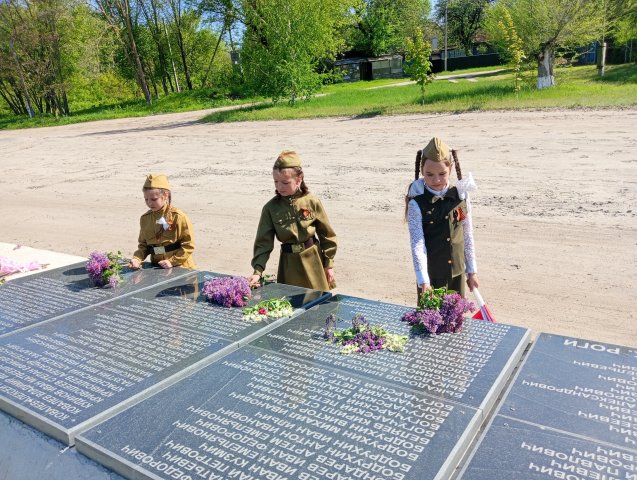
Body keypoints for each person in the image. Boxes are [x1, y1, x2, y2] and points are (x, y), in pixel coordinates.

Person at [248, 150, 337, 291]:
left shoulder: (312, 201)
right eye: (276, 181)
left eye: (285, 182)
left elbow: (326, 234)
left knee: (320, 303)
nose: (279, 187)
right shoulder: (270, 208)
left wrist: (329, 264)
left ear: (299, 179)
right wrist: (257, 272)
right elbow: (263, 242)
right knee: (291, 305)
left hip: (314, 260)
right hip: (288, 265)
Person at [406, 137, 479, 299]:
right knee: (430, 321)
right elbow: (417, 244)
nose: (436, 180)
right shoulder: (417, 203)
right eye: (429, 174)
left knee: (455, 319)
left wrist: (471, 271)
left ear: (450, 169)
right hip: (432, 275)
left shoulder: (461, 195)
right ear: (422, 171)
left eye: (442, 174)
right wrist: (423, 281)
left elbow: (467, 235)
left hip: (457, 273)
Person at [129, 174, 196, 270]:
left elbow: (188, 245)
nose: (149, 203)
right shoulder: (145, 219)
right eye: (146, 199)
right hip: (158, 268)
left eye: (154, 199)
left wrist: (172, 261)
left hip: (181, 267)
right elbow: (143, 246)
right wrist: (137, 259)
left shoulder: (178, 216)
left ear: (165, 195)